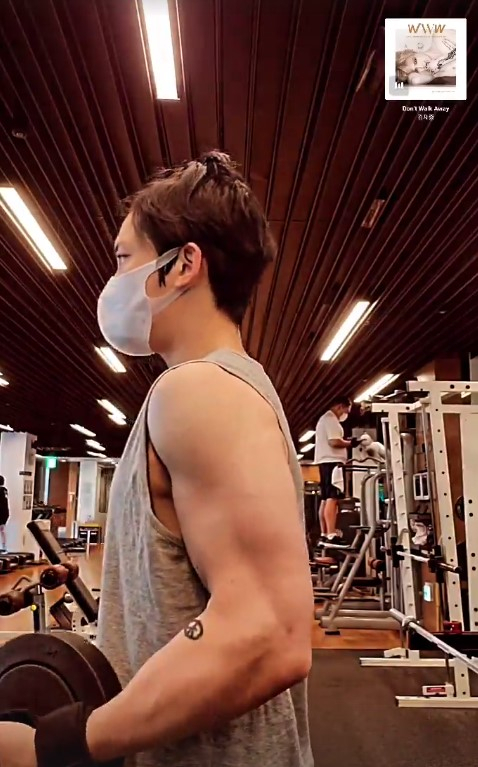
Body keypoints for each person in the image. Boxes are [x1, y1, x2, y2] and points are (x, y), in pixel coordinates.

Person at [0, 152, 314, 767]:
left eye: (124, 259)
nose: (113, 280)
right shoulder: (219, 389)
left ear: (183, 265)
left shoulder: (200, 391)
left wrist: (53, 746)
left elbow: (268, 634)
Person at [314, 396, 358, 547]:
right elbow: (334, 441)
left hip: (325, 461)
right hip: (332, 462)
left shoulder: (324, 419)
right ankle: (332, 534)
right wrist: (351, 443)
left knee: (325, 498)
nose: (345, 414)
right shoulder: (331, 419)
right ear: (340, 406)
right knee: (333, 498)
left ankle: (325, 533)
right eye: (346, 410)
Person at [0, 476, 9, 551]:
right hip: (5, 512)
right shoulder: (4, 490)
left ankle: (4, 546)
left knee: (2, 530)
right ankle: (4, 546)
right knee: (2, 530)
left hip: (1, 512)